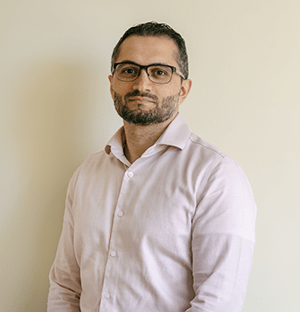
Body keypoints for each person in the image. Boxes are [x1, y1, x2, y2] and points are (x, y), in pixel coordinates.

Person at [47, 22, 256, 312]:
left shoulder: (215, 176)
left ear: (183, 89)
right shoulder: (87, 173)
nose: (141, 84)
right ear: (112, 83)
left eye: (159, 72)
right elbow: (65, 285)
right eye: (129, 70)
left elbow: (219, 303)